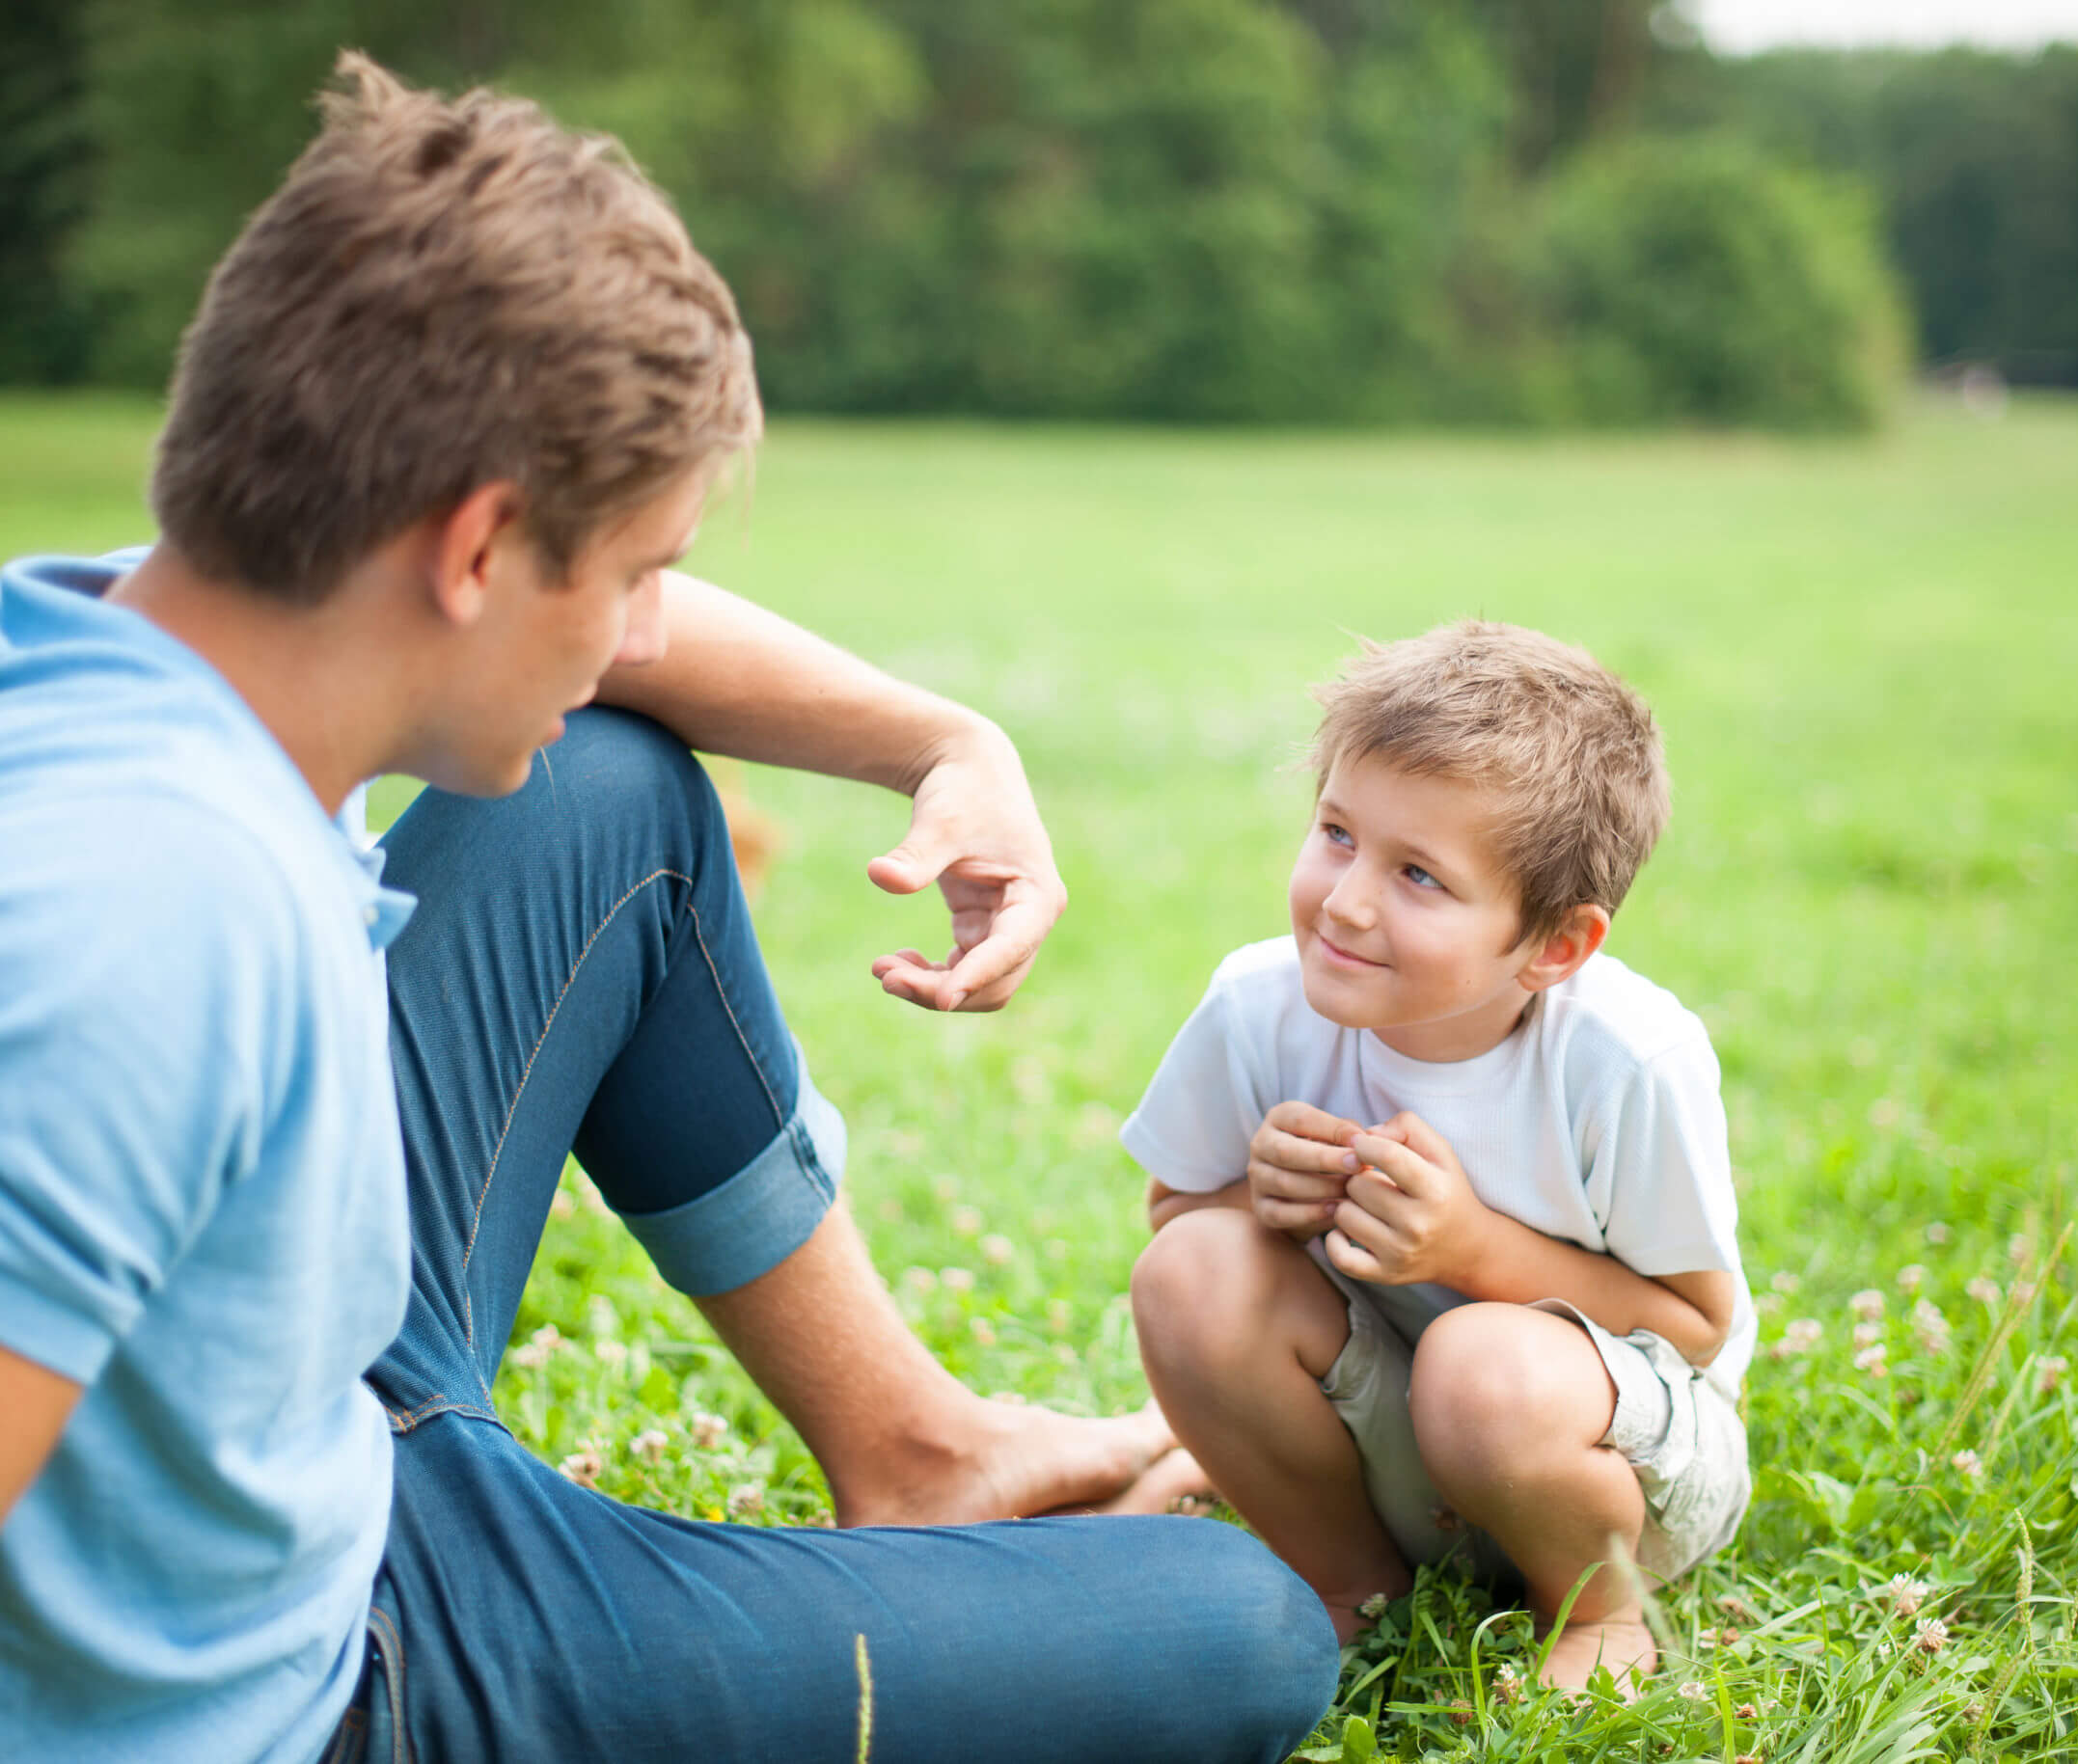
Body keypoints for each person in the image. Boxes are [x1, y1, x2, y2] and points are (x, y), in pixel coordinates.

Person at [0, 53, 1337, 1764]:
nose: (647, 623)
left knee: (610, 787)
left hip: (290, 1423)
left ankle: (920, 1446)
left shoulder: (162, 639)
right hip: (320, 1668)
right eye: (634, 569)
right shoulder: (140, 926)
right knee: (1233, 1631)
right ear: (477, 550)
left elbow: (636, 670)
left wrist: (948, 738)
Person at [1124, 621, 1755, 1690]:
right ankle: (1351, 1583)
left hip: (1614, 1471)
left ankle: (1600, 1616)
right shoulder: (1257, 1005)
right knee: (1191, 1271)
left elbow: (1696, 1326)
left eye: (1418, 874)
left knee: (1481, 1364)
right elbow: (1174, 1218)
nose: (1346, 898)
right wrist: (1255, 1195)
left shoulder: (1627, 1060)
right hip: (1400, 1446)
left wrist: (1472, 1245)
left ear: (1554, 945)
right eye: (1335, 832)